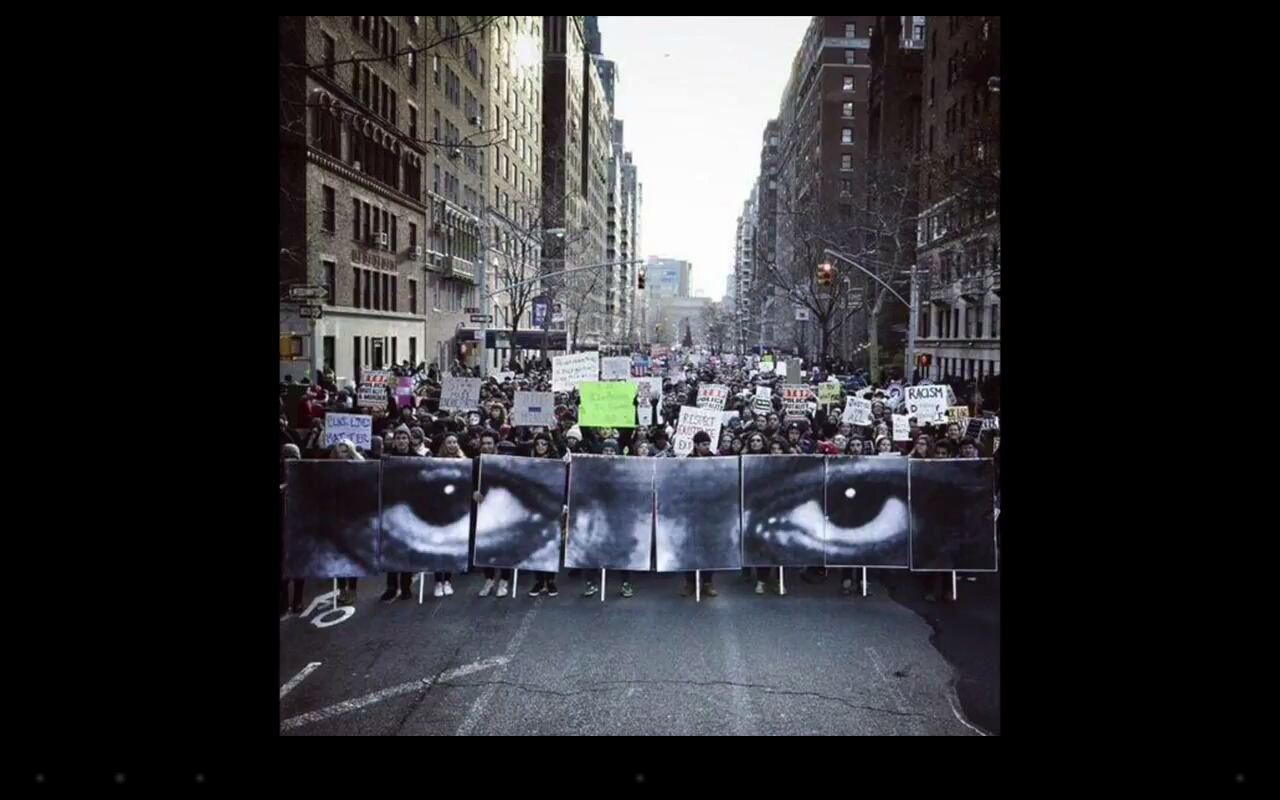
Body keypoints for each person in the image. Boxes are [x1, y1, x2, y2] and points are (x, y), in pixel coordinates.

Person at [681, 431, 718, 598]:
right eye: (704, 444)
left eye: (708, 444)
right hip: (691, 508)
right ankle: (690, 582)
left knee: (708, 546)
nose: (707, 447)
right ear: (696, 445)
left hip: (709, 508)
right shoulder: (688, 460)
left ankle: (707, 582)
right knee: (690, 546)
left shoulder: (714, 460)